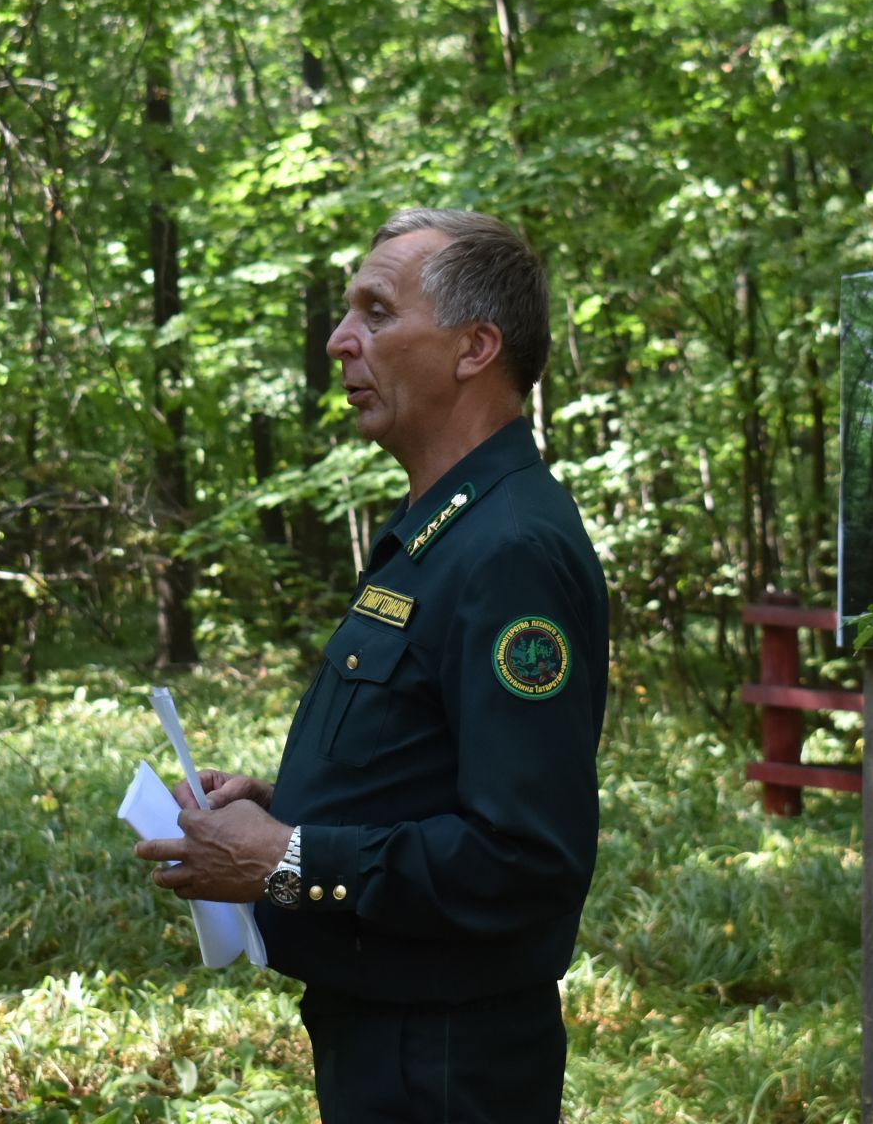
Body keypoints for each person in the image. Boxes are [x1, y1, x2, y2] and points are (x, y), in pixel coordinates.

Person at [132, 208, 609, 1123]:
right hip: (388, 1031)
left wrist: (292, 859)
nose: (339, 340)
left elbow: (526, 855)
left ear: (475, 347)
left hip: (444, 1053)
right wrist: (289, 808)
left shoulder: (507, 549)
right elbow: (438, 763)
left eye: (377, 311)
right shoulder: (443, 532)